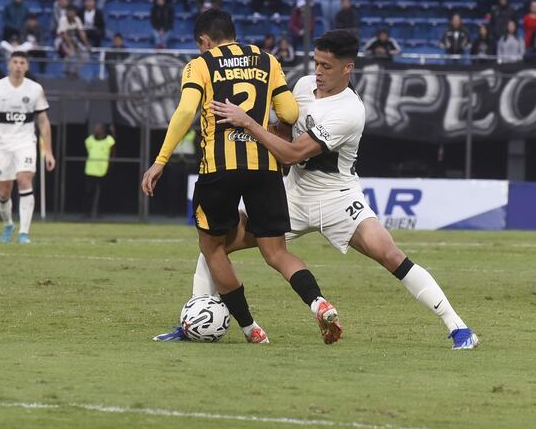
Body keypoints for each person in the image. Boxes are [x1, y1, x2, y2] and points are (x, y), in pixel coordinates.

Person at [194, 29, 479, 349]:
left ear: (348, 68)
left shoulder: (349, 111)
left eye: (327, 66)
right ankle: (194, 320)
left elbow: (292, 153)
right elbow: (284, 131)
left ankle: (458, 327)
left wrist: (247, 122)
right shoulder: (303, 86)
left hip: (337, 198)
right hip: (293, 194)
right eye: (316, 63)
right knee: (214, 245)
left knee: (390, 255)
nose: (317, 71)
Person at [143, 10, 343, 345]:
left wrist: (160, 161)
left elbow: (185, 112)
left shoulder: (200, 65)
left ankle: (252, 329)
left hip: (219, 168)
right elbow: (290, 113)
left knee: (213, 248)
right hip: (264, 167)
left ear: (205, 41)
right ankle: (318, 302)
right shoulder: (267, 61)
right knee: (276, 252)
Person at [0, 52, 56, 244]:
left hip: (25, 143)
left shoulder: (35, 89)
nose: (18, 66)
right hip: (2, 145)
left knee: (24, 179)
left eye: (22, 62)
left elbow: (43, 121)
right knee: (3, 191)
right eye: (15, 62)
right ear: (9, 64)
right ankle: (8, 224)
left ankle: (24, 233)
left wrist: (48, 151)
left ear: (27, 66)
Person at [84, 123, 115, 218]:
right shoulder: (90, 140)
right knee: (89, 192)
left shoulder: (109, 140)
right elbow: (88, 149)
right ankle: (88, 212)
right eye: (95, 127)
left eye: (98, 128)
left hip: (103, 170)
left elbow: (113, 153)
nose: (96, 129)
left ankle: (100, 212)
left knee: (102, 192)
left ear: (103, 130)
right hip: (91, 169)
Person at [57, 5, 91, 78]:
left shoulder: (77, 19)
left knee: (85, 55)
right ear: (67, 12)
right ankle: (65, 70)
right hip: (61, 40)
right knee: (71, 53)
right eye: (69, 12)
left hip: (73, 40)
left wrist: (87, 44)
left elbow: (81, 32)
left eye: (73, 12)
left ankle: (74, 71)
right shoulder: (63, 19)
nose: (71, 14)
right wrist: (71, 46)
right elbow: (64, 34)